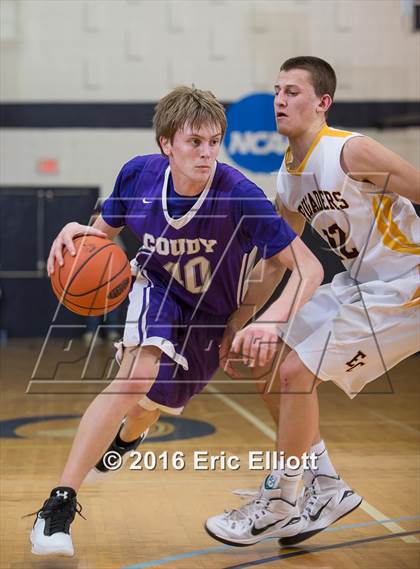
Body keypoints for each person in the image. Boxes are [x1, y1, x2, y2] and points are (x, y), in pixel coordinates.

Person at [29, 86, 324, 556]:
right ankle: (58, 505)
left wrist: (266, 322)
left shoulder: (239, 195)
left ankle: (130, 434)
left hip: (211, 318)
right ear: (167, 143)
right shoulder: (138, 176)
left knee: (151, 406)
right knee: (136, 378)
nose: (206, 153)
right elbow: (100, 236)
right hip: (157, 291)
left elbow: (310, 267)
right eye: (194, 142)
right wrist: (74, 230)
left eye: (213, 142)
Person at [205, 56, 420, 547]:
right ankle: (326, 487)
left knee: (296, 373)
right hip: (362, 283)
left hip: (407, 285)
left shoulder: (350, 153)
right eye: (277, 90)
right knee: (267, 361)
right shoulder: (289, 178)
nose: (281, 99)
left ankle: (278, 502)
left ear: (323, 103)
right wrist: (239, 319)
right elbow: (282, 261)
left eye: (294, 91)